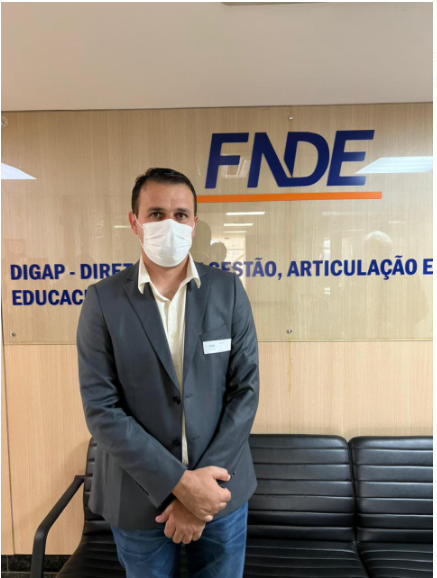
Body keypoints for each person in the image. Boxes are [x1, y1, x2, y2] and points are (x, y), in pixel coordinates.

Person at [76, 167, 260, 577]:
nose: (170, 224)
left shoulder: (228, 291)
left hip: (220, 492)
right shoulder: (103, 301)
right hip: (138, 496)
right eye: (156, 214)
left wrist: (201, 492)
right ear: (135, 222)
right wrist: (181, 484)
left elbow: (244, 392)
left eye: (180, 215)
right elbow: (102, 410)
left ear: (194, 224)